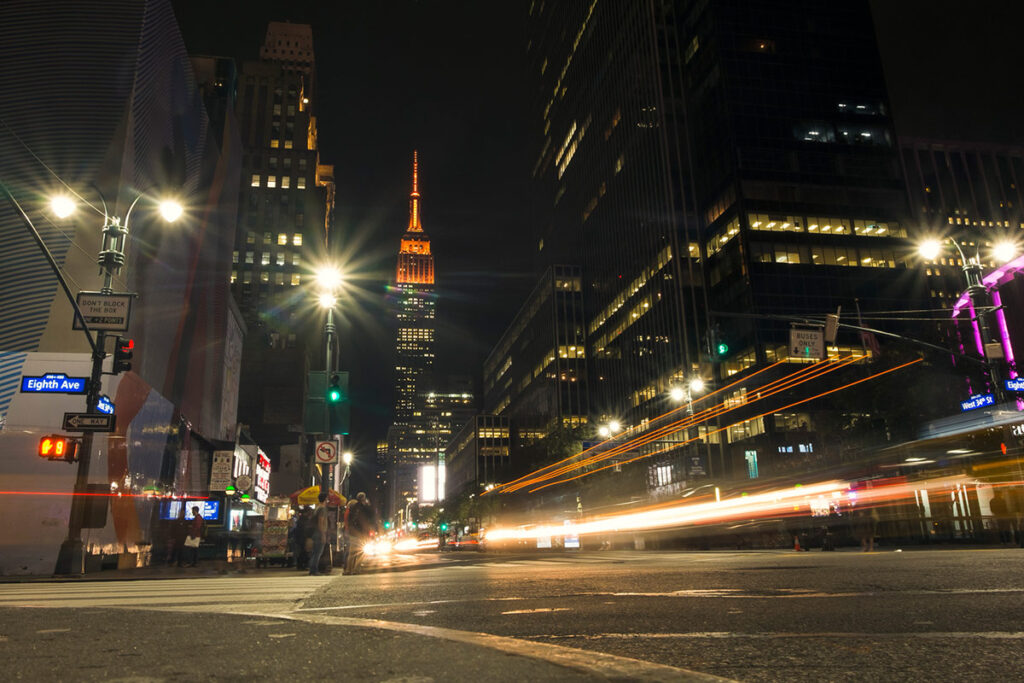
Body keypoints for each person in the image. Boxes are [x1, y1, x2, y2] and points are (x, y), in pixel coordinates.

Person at [344, 492, 375, 575]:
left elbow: (349, 519)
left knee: (352, 552)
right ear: (363, 498)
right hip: (361, 533)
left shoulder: (353, 507)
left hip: (353, 532)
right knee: (360, 552)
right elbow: (372, 515)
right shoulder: (364, 507)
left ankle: (348, 570)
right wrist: (368, 504)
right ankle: (356, 569)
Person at [308, 492, 329, 576]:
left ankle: (312, 569)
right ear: (325, 499)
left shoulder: (317, 508)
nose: (328, 500)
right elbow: (321, 521)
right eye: (327, 499)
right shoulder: (322, 509)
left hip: (315, 532)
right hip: (319, 533)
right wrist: (323, 534)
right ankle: (314, 570)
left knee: (315, 552)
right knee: (318, 553)